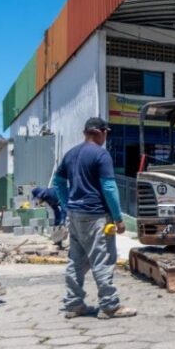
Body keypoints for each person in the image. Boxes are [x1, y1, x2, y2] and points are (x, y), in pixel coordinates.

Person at [52, 117, 136, 320]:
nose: (106, 136)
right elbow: (109, 187)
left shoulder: (71, 154)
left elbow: (58, 182)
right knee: (103, 259)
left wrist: (67, 205)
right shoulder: (101, 154)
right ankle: (109, 306)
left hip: (75, 216)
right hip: (96, 216)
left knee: (76, 261)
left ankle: (74, 304)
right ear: (100, 132)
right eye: (106, 133)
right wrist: (118, 218)